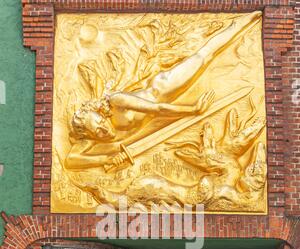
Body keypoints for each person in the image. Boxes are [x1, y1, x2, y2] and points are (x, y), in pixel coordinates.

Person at [66, 12, 261, 170]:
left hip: (164, 88)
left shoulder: (117, 102)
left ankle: (244, 21)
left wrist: (193, 110)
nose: (104, 129)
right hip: (159, 118)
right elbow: (71, 160)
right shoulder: (90, 137)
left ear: (102, 114)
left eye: (101, 122)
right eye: (97, 132)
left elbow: (157, 108)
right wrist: (103, 160)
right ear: (90, 135)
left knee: (204, 56)